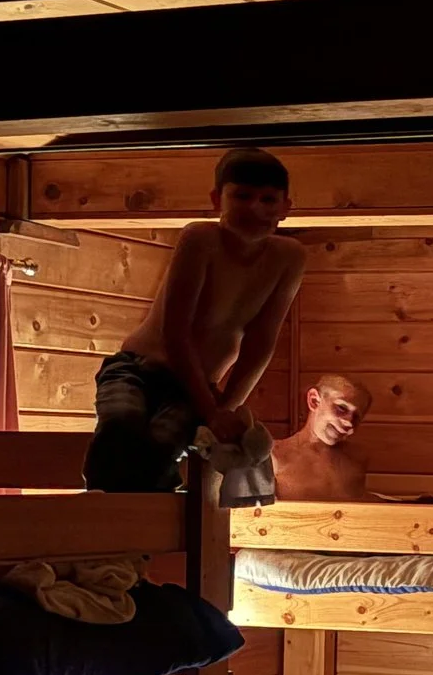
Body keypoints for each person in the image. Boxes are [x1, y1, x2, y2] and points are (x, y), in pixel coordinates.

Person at [84, 148, 306, 492]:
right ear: (218, 199)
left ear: (285, 207)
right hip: (138, 368)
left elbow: (261, 341)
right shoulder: (201, 239)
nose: (255, 208)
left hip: (195, 388)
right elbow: (176, 332)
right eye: (242, 196)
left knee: (166, 440)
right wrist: (211, 410)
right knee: (122, 422)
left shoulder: (289, 257)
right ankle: (99, 505)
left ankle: (145, 514)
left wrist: (226, 408)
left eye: (268, 199)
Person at [270, 373, 375, 502]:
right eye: (341, 408)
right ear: (314, 400)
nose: (349, 422)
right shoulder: (276, 456)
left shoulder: (357, 458)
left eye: (356, 417)